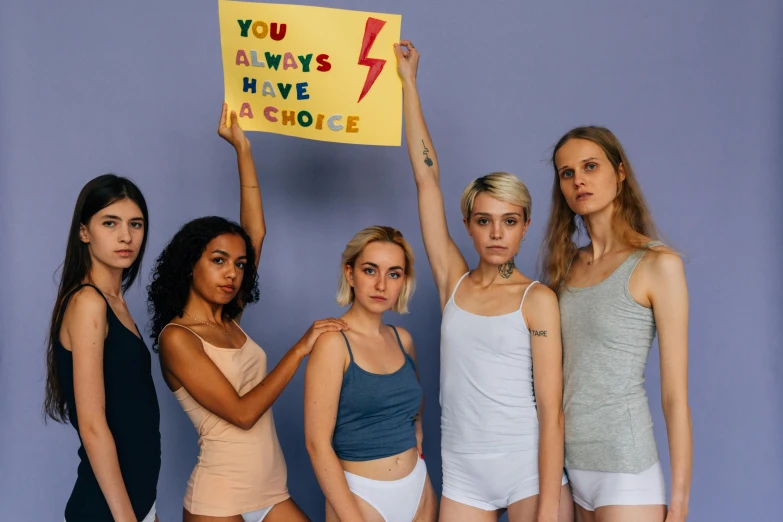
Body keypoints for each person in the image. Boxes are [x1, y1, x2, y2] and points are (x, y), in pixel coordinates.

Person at [393, 41, 571, 522]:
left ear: (525, 227)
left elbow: (552, 411)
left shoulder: (537, 301)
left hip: (529, 470)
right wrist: (409, 83)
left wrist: (550, 506)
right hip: (464, 470)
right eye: (485, 220)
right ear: (468, 225)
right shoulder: (453, 280)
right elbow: (426, 179)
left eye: (510, 221)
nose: (497, 233)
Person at [147, 104, 346, 522]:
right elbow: (242, 412)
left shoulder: (227, 319)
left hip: (271, 491)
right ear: (190, 264)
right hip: (218, 502)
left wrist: (242, 149)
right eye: (218, 260)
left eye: (239, 265)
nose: (233, 273)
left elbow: (254, 232)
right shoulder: (177, 338)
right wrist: (300, 349)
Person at [541, 126, 692, 522]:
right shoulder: (564, 268)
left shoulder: (658, 265)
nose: (579, 180)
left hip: (625, 467)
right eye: (567, 173)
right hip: (569, 468)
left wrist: (678, 504)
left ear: (620, 173)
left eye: (590, 166)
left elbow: (675, 396)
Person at [44, 174, 161, 522]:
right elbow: (93, 425)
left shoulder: (115, 303)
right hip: (108, 509)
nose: (126, 236)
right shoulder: (88, 303)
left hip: (136, 500)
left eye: (135, 224)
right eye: (110, 223)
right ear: (84, 232)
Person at [304, 226, 437, 522]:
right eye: (370, 270)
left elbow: (412, 400)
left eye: (393, 274)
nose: (381, 285)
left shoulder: (403, 339)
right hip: (361, 497)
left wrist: (417, 429)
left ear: (404, 281)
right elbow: (317, 444)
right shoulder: (332, 343)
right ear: (350, 274)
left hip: (418, 491)